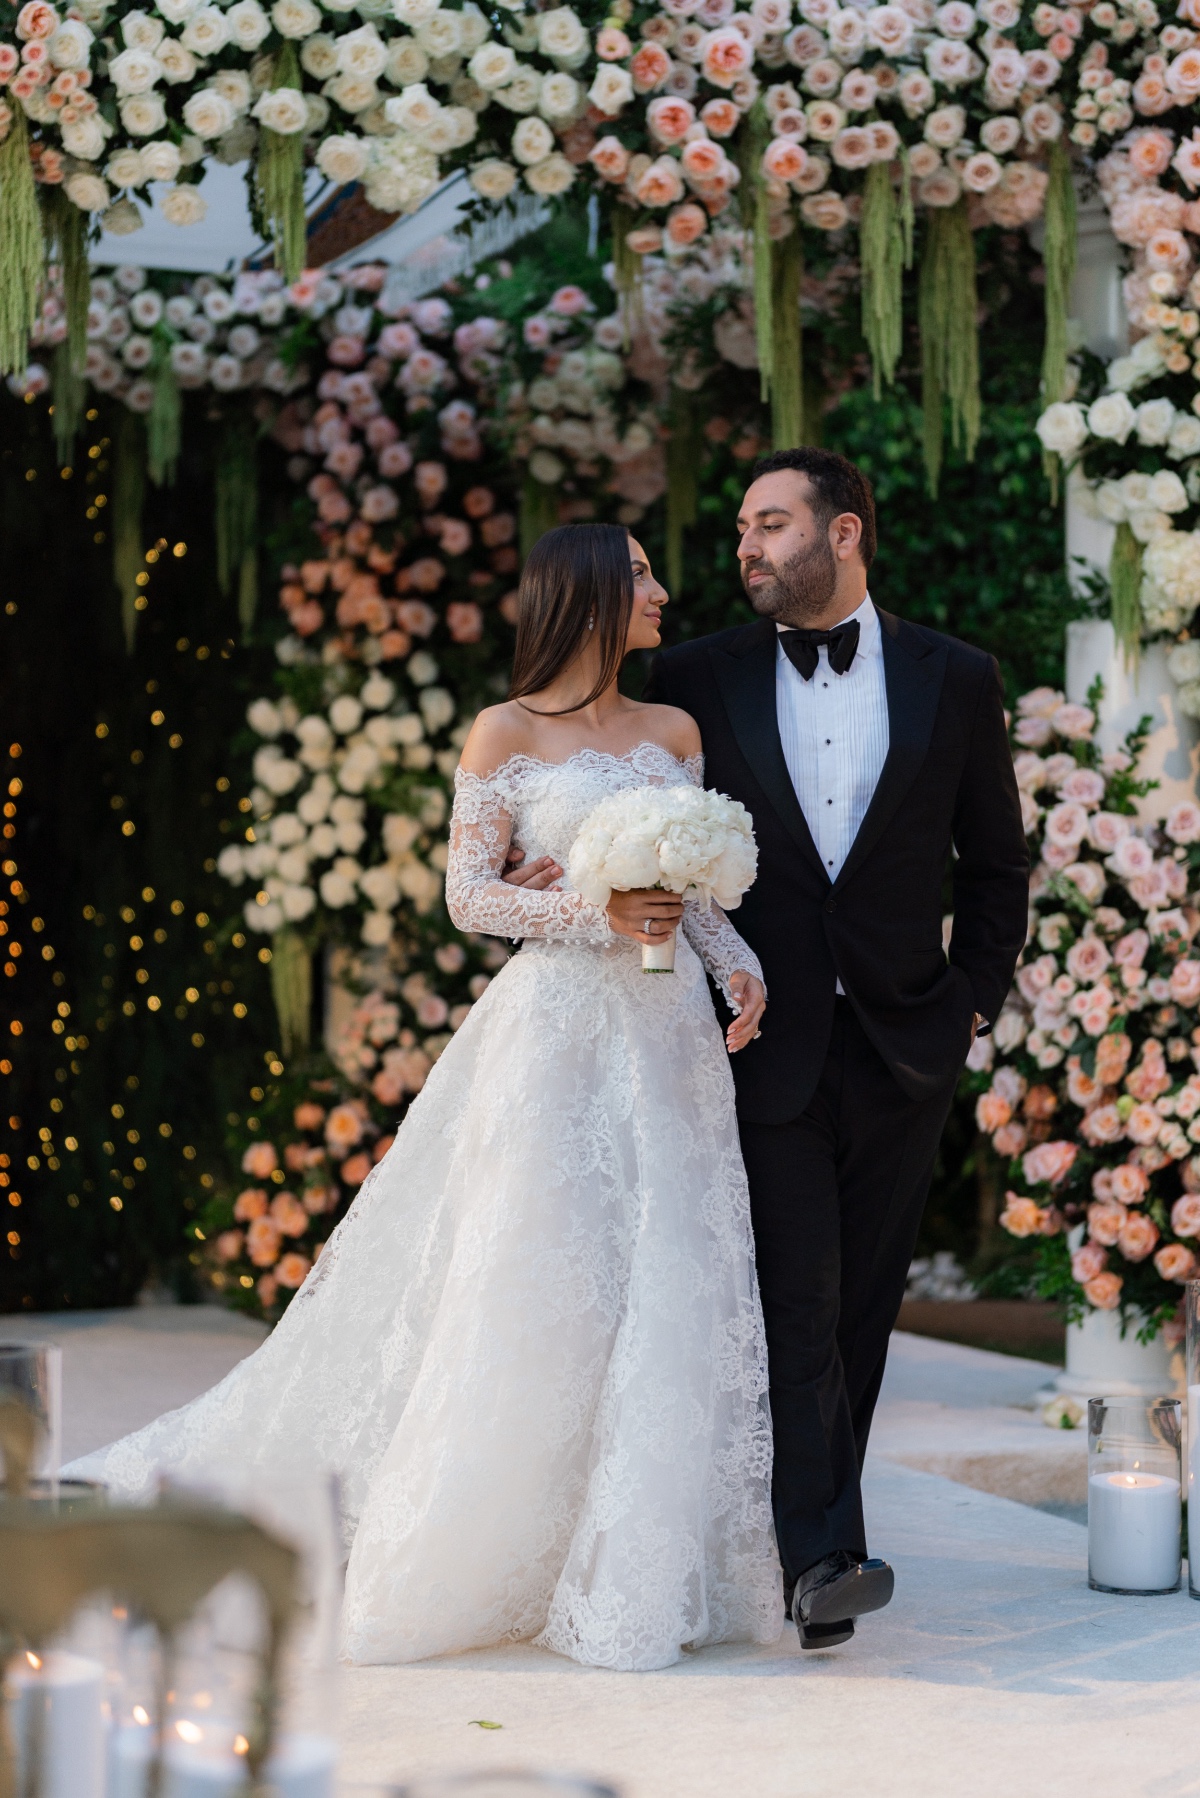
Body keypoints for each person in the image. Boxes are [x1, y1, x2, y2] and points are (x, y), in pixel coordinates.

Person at [65, 523, 784, 1672]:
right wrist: (584, 911)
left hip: (668, 1046)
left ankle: (630, 1555)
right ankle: (500, 1540)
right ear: (591, 594)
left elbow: (687, 892)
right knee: (544, 1275)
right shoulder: (503, 734)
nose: (662, 590)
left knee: (663, 1278)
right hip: (555, 1038)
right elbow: (468, 897)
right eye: (641, 573)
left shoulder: (673, 732)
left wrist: (735, 956)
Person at [639, 447, 1029, 1649]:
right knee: (797, 1294)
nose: (747, 548)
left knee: (862, 1306)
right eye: (746, 529)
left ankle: (806, 1540)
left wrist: (970, 1001)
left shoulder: (954, 678)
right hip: (767, 1038)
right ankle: (825, 1561)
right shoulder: (693, 675)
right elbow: (630, 798)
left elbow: (997, 865)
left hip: (907, 1041)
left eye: (771, 525)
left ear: (844, 533)